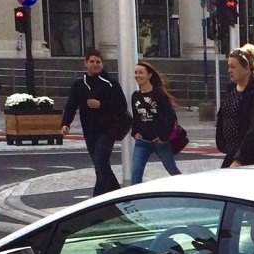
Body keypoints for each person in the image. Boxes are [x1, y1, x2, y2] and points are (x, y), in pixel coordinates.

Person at [60, 49, 128, 195]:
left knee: (101, 162)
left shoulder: (110, 84)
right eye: (92, 61)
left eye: (98, 62)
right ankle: (116, 194)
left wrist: (101, 104)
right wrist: (66, 123)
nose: (95, 64)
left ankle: (97, 198)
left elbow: (122, 106)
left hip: (107, 130)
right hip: (89, 131)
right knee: (101, 166)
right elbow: (71, 105)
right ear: (86, 63)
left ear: (102, 64)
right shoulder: (79, 84)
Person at [215, 44, 254, 168]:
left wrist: (240, 159)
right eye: (229, 66)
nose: (229, 70)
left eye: (233, 67)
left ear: (247, 68)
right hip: (234, 152)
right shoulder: (232, 89)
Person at [129, 60, 181, 184]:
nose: (138, 76)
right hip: (142, 142)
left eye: (141, 73)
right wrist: (134, 132)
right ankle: (135, 201)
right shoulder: (135, 96)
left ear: (149, 75)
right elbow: (136, 117)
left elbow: (171, 116)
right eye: (136, 73)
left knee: (172, 170)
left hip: (160, 141)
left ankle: (189, 190)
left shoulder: (159, 94)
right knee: (135, 176)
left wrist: (163, 136)